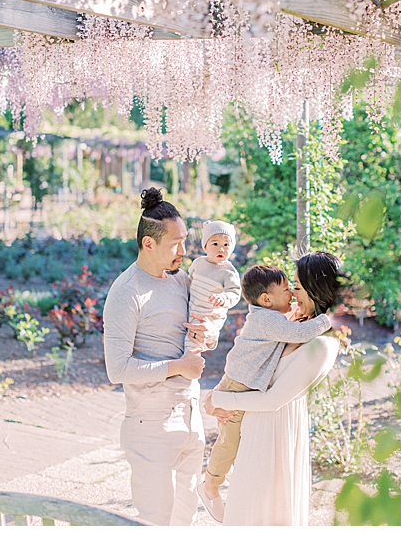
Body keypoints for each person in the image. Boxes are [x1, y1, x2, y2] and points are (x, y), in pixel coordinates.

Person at [102, 188, 216, 526]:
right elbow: (117, 368)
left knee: (186, 519)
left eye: (185, 240)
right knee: (155, 521)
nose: (184, 251)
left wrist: (205, 335)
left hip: (191, 416)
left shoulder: (181, 281)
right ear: (148, 244)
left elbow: (191, 332)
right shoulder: (126, 292)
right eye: (175, 244)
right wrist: (179, 367)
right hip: (150, 425)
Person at [206, 251, 345, 525]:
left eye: (297, 286)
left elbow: (272, 401)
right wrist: (218, 399)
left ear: (316, 288)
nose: (292, 295)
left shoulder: (323, 343)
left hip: (274, 438)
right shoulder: (291, 322)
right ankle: (210, 482)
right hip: (257, 433)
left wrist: (217, 398)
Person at [183, 220, 241, 355]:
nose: (221, 248)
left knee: (192, 344)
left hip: (209, 316)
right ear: (205, 246)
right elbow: (189, 281)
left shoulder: (228, 272)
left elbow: (235, 293)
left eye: (226, 245)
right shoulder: (198, 263)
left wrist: (224, 298)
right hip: (192, 309)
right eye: (215, 244)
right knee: (180, 341)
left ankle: (190, 365)